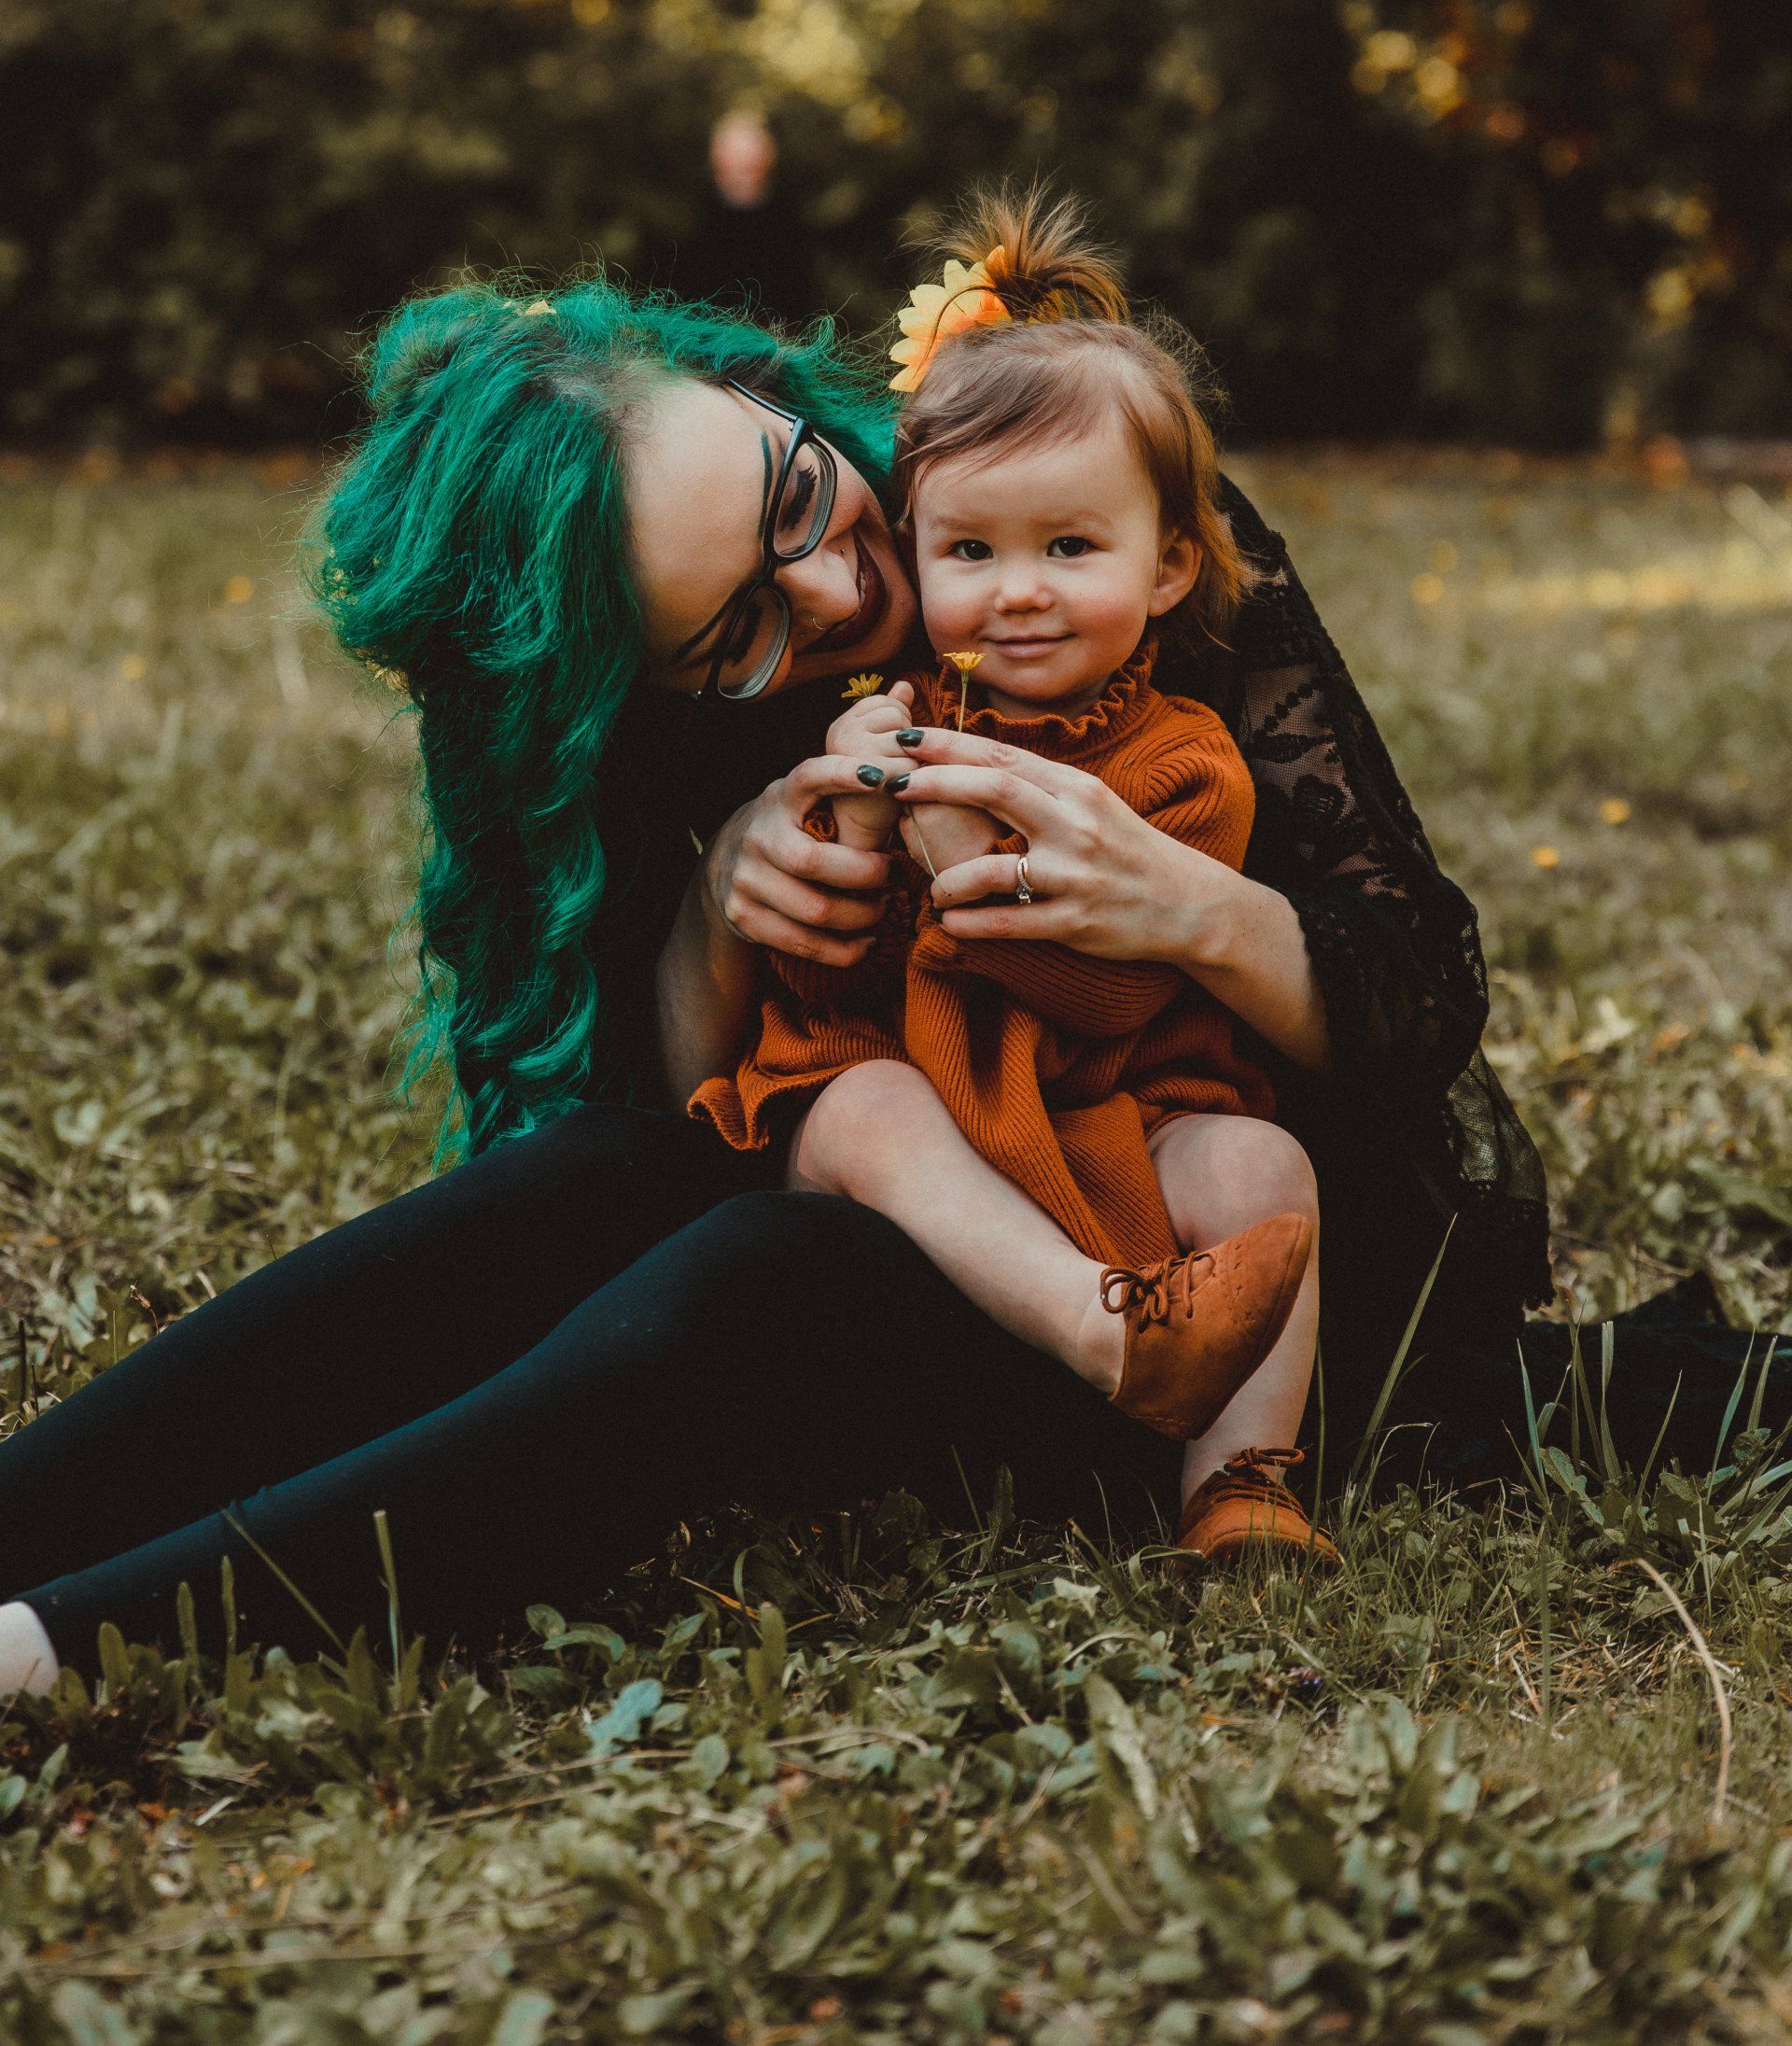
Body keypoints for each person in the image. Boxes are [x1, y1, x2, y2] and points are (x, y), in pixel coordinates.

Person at [0, 218, 1553, 1693]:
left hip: (1220, 1246)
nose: (834, 589)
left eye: (798, 497)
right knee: (574, 1190)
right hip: (924, 1179)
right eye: (736, 631)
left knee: (751, 1276)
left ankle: (61, 1652)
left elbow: (1420, 988)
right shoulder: (644, 713)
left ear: (773, 399)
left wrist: (1185, 904)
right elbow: (636, 1120)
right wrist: (721, 905)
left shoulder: (1064, 495)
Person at [693, 196, 1332, 1564]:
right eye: (972, 551)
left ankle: (1243, 1481)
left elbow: (1107, 1002)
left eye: (1071, 547)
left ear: (1167, 568)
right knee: (860, 1101)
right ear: (916, 549)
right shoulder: (886, 725)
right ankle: (1108, 1330)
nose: (1020, 590)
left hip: (1098, 1109)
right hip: (912, 1129)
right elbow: (818, 979)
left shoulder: (1185, 764)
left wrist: (963, 859)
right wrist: (851, 827)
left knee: (1260, 1160)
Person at [675, 109, 822, 329]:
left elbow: (800, 291)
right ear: (716, 155)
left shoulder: (788, 216)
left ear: (770, 154)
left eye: (752, 151)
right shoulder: (694, 216)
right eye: (737, 152)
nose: (745, 161)